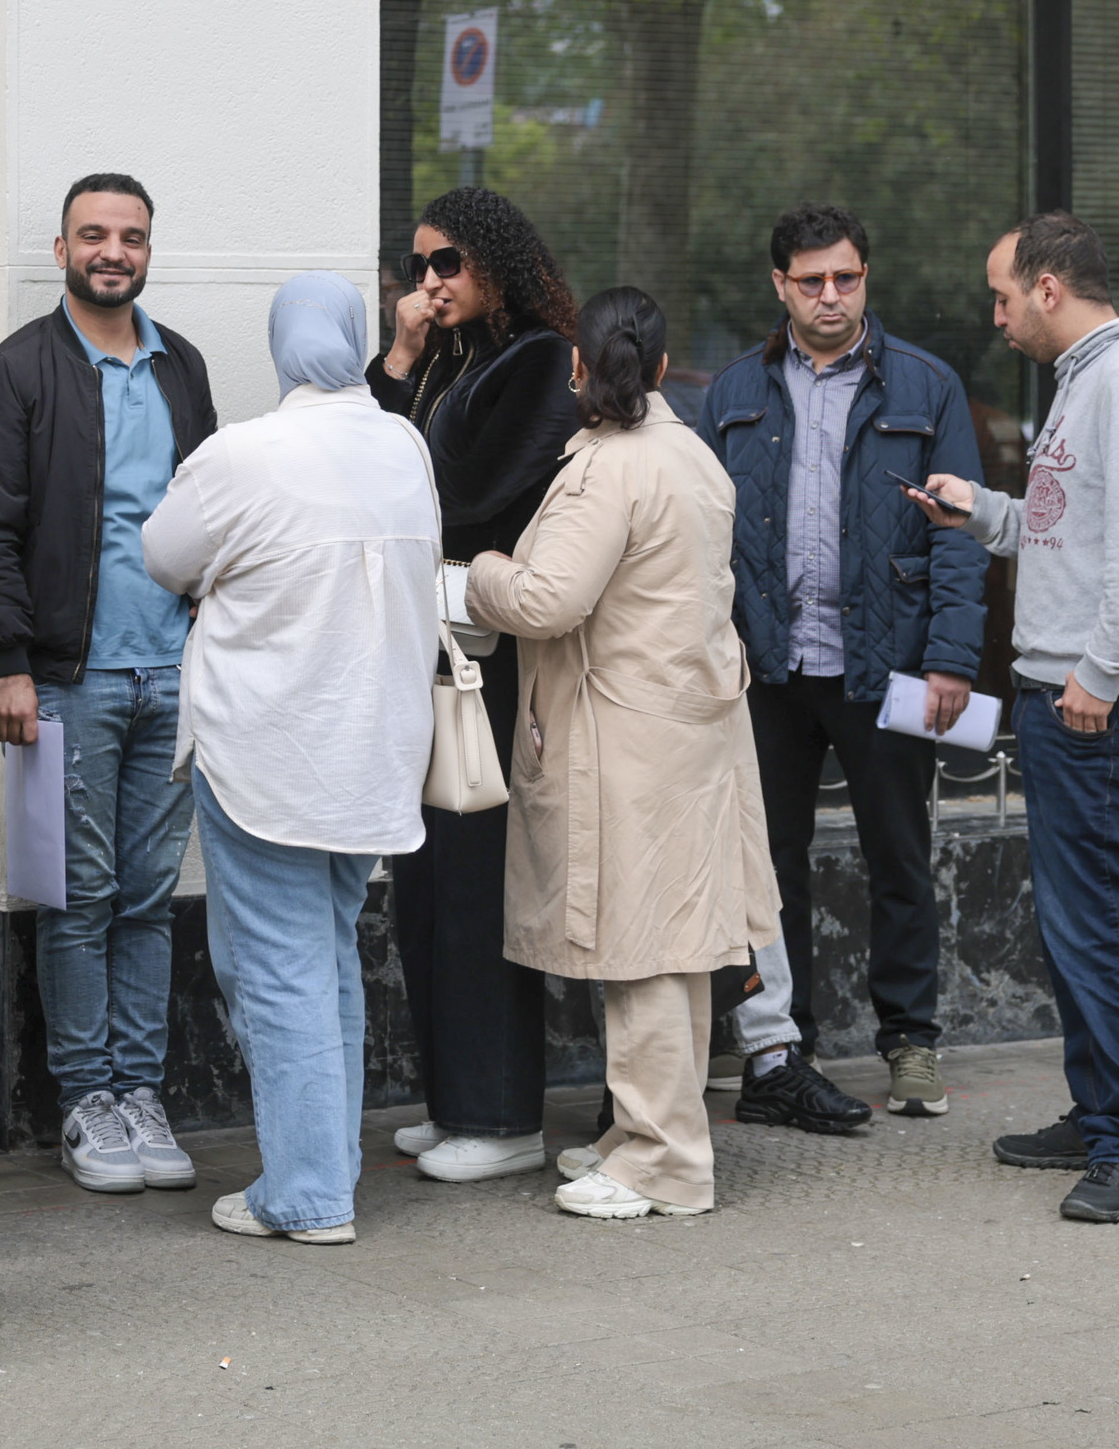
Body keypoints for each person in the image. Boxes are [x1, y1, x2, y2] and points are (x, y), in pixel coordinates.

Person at [466, 287, 782, 1222]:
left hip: (625, 739)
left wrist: (479, 572)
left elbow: (545, 601)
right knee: (674, 950)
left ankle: (664, 1162)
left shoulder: (611, 467)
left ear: (578, 368)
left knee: (643, 952)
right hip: (686, 734)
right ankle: (646, 1137)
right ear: (661, 366)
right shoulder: (692, 455)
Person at [140, 273, 439, 1245]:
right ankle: (328, 1165)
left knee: (276, 968)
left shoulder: (244, 453)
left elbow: (163, 556)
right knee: (327, 956)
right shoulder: (403, 444)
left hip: (266, 752)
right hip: (373, 753)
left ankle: (307, 1192)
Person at [914, 213, 1119, 1225]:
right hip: (1069, 694)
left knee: (1105, 925)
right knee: (1077, 925)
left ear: (1047, 288)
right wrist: (984, 513)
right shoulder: (1088, 377)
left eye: (1002, 297)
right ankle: (1098, 1115)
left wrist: (1103, 672)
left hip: (1097, 704)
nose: (995, 319)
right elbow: (1070, 529)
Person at [698, 201, 985, 1127]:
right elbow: (698, 537)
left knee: (898, 855)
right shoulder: (733, 391)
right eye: (813, 280)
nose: (832, 295)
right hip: (769, 670)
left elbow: (960, 535)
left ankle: (910, 1041)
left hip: (888, 664)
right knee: (767, 865)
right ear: (779, 285)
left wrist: (950, 659)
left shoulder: (926, 387)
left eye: (847, 277)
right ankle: (784, 1044)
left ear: (866, 278)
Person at [0, 172, 218, 1194]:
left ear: (149, 249)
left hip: (175, 676)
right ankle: (85, 1098)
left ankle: (139, 1092)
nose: (113, 251)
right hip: (69, 680)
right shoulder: (22, 367)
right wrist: (10, 664)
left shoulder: (181, 364)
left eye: (131, 236)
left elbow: (211, 513)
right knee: (77, 898)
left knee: (149, 900)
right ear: (63, 249)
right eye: (94, 234)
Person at [367, 186, 582, 1183]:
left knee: (474, 880)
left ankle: (500, 1114)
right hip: (436, 647)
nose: (430, 281)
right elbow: (370, 466)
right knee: (425, 882)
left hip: (490, 657)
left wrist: (408, 491)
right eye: (419, 266)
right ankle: (454, 1099)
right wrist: (401, 359)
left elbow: (475, 491)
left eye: (447, 261)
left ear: (493, 260)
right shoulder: (450, 359)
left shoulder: (539, 358)